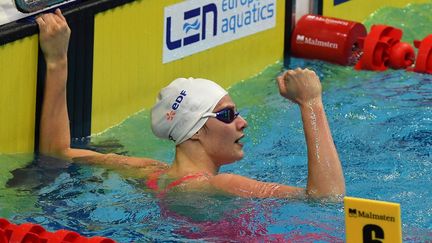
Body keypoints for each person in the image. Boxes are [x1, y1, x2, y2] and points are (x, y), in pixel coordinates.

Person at [37, 9, 345, 199]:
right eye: (227, 115)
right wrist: (311, 103)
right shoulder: (221, 185)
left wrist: (57, 60)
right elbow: (326, 199)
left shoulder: (151, 174)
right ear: (194, 130)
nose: (242, 122)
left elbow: (58, 151)